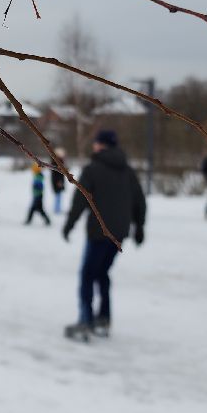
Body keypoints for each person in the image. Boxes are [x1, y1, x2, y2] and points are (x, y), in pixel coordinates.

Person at [61, 129, 146, 342]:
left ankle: (86, 321)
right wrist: (139, 227)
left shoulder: (93, 169)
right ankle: (104, 319)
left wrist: (69, 224)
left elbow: (80, 200)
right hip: (119, 233)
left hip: (99, 232)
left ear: (100, 145)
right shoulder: (128, 170)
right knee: (102, 273)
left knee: (88, 275)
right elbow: (139, 201)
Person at [50, 148, 67, 215]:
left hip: (59, 181)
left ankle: (58, 208)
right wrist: (59, 181)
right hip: (57, 182)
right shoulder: (56, 162)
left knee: (59, 196)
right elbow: (56, 174)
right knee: (58, 196)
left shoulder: (59, 161)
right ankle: (57, 209)